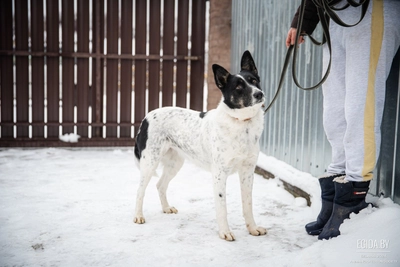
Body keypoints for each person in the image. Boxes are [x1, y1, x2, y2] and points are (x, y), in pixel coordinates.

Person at [286, 0, 400, 240]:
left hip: (370, 11)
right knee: (334, 112)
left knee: (361, 106)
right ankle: (334, 197)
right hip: (334, 19)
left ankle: (352, 198)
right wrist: (302, 23)